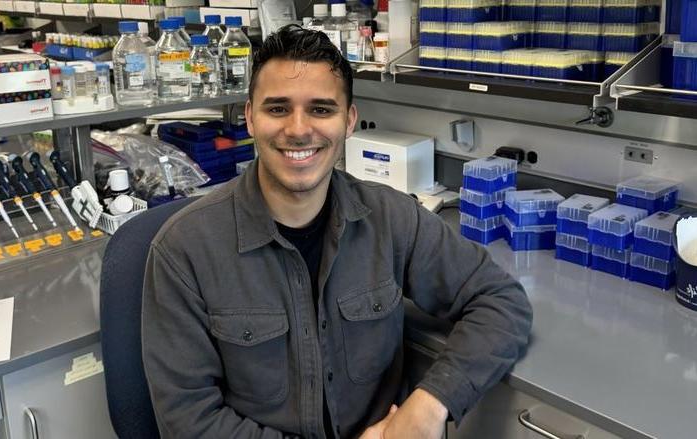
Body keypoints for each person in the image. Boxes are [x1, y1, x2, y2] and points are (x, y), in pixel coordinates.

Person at [142, 25, 533, 439]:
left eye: (321, 110)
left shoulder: (393, 219)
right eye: (277, 109)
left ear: (348, 121)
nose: (298, 129)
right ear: (249, 119)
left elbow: (501, 299)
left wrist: (430, 404)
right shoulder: (183, 250)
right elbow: (189, 421)